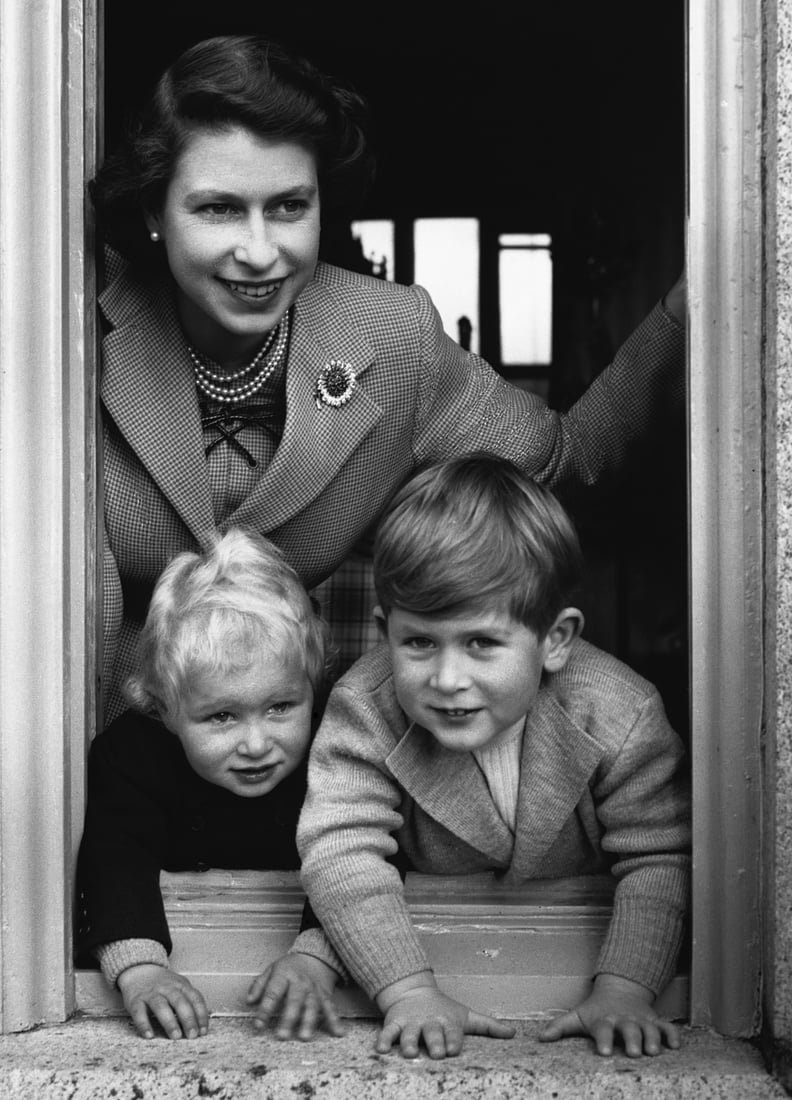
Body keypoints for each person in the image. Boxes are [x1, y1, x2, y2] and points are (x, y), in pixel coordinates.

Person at [93, 33, 686, 725]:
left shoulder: (393, 336)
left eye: (289, 206)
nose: (259, 252)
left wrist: (686, 309)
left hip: (296, 759)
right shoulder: (72, 324)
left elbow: (571, 461)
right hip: (91, 757)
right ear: (153, 215)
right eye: (218, 208)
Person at [296, 453, 691, 1060]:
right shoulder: (366, 707)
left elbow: (660, 854)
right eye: (420, 642)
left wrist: (625, 988)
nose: (448, 678)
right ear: (385, 630)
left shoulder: (619, 711)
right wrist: (407, 992)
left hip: (569, 956)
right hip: (438, 953)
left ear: (554, 640)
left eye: (481, 642)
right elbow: (340, 848)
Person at [75, 527, 346, 1041]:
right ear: (164, 709)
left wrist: (318, 957)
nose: (256, 743)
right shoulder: (133, 757)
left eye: (281, 707)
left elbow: (355, 852)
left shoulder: (335, 748)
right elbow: (114, 857)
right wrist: (141, 970)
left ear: (314, 686)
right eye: (222, 716)